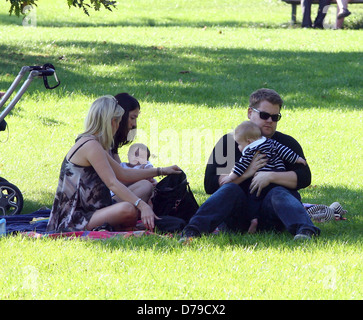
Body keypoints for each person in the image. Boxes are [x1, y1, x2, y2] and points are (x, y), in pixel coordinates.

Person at [180, 88, 320, 242]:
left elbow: (305, 177)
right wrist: (247, 173)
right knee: (230, 189)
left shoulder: (285, 143)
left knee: (279, 192)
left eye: (275, 117)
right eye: (264, 115)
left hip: (272, 215)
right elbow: (210, 184)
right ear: (249, 113)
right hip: (237, 215)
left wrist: (270, 176)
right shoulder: (229, 143)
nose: (269, 121)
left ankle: (306, 232)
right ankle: (191, 232)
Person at [46, 95, 181, 233]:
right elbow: (113, 183)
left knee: (145, 186)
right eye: (118, 121)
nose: (119, 126)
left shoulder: (94, 142)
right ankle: (120, 225)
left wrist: (162, 171)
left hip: (97, 208)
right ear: (111, 121)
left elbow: (123, 174)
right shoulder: (91, 146)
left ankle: (120, 224)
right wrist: (142, 205)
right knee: (129, 210)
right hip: (75, 219)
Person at [219, 121, 307, 233]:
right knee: (287, 194)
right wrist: (297, 159)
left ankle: (254, 220)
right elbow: (284, 151)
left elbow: (240, 166)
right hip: (279, 175)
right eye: (264, 115)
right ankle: (299, 211)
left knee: (253, 199)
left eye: (240, 144)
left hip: (260, 182)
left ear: (249, 141)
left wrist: (230, 177)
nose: (239, 147)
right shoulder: (271, 142)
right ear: (250, 113)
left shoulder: (250, 150)